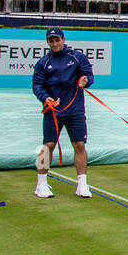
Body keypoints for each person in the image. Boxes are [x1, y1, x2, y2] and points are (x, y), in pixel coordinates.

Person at [32, 27, 94, 198]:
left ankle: (82, 185)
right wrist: (46, 98)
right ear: (47, 42)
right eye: (51, 41)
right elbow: (37, 85)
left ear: (63, 39)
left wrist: (85, 80)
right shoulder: (43, 62)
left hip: (75, 109)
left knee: (79, 145)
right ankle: (41, 184)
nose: (54, 43)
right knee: (48, 146)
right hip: (53, 111)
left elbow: (88, 75)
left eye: (57, 40)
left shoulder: (77, 57)